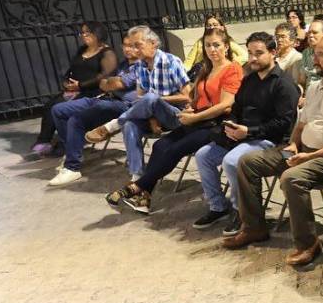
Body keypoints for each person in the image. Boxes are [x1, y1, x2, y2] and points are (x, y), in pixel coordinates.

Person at [225, 37, 323, 265]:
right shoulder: (315, 87)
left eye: (321, 55)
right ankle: (254, 227)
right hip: (302, 151)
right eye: (314, 53)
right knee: (247, 162)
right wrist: (293, 144)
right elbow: (301, 124)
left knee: (291, 178)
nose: (314, 60)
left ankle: (308, 243)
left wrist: (311, 156)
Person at [104, 29, 243, 214]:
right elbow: (194, 97)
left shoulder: (232, 69)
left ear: (226, 46)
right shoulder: (206, 68)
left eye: (216, 45)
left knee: (174, 150)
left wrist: (195, 116)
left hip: (217, 124)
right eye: (208, 45)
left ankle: (135, 187)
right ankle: (144, 196)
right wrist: (191, 108)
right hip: (198, 119)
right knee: (160, 145)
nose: (212, 49)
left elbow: (225, 105)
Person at [191, 32, 301, 235]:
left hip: (271, 141)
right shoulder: (250, 80)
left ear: (273, 52)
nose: (252, 58)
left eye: (258, 53)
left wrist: (249, 131)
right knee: (203, 156)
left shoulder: (284, 84)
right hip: (242, 136)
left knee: (231, 161)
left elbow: (284, 123)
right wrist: (231, 124)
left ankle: (241, 211)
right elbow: (236, 108)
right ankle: (218, 206)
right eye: (250, 53)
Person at [84, 26, 192, 181]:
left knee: (151, 98)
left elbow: (188, 97)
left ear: (153, 43)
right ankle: (137, 178)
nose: (135, 50)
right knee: (130, 125)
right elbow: (141, 99)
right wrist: (152, 117)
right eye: (132, 46)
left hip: (176, 115)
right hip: (153, 118)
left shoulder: (171, 61)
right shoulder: (140, 66)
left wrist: (158, 99)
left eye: (138, 45)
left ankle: (113, 125)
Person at [47, 34, 141, 187]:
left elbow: (117, 84)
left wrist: (110, 83)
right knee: (58, 110)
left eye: (133, 46)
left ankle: (72, 167)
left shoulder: (142, 66)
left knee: (76, 120)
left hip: (123, 106)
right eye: (125, 45)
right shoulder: (123, 65)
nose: (128, 49)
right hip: (105, 98)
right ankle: (72, 151)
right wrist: (109, 83)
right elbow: (104, 83)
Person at [32, 21, 118, 156]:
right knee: (50, 106)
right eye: (82, 32)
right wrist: (66, 81)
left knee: (61, 108)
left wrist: (80, 85)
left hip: (93, 92)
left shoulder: (107, 53)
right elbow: (72, 68)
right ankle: (44, 141)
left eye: (87, 32)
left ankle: (66, 144)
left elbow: (104, 76)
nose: (83, 35)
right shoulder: (82, 50)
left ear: (98, 33)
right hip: (74, 90)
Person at [299, 19, 323, 87]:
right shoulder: (305, 53)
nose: (311, 35)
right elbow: (302, 81)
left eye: (315, 32)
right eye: (309, 33)